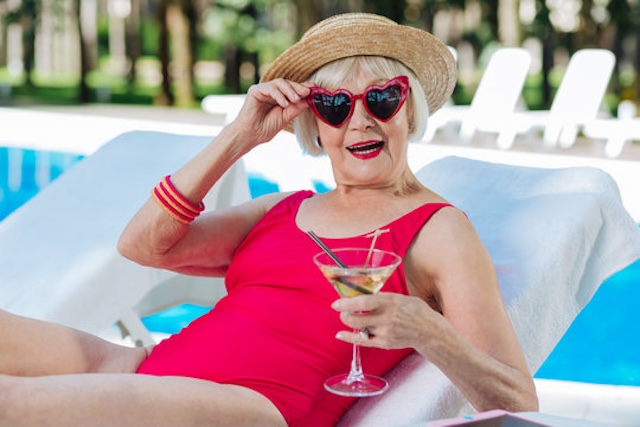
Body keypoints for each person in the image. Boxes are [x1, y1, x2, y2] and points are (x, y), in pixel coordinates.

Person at [0, 12, 538, 427]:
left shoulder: (439, 230)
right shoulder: (283, 208)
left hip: (252, 408)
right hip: (139, 368)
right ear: (314, 123)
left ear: (410, 108)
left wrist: (429, 332)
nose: (360, 120)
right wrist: (238, 137)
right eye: (334, 105)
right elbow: (143, 247)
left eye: (381, 98)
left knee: (12, 403)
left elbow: (519, 402)